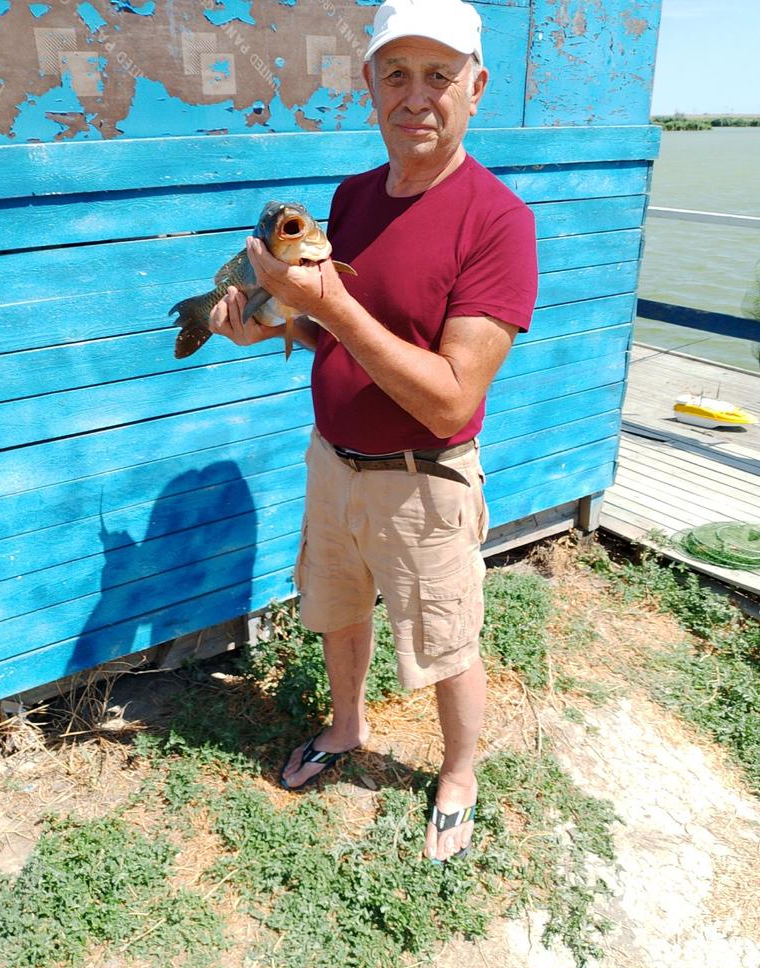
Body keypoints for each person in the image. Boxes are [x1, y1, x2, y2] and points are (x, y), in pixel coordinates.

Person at [209, 0, 538, 863]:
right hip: (334, 462)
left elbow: (451, 400)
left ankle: (458, 774)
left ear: (477, 87)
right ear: (369, 85)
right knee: (338, 611)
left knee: (447, 642)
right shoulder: (352, 197)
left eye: (439, 76)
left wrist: (330, 306)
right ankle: (347, 725)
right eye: (396, 74)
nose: (415, 95)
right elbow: (329, 328)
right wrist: (269, 327)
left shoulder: (499, 221)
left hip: (424, 478)